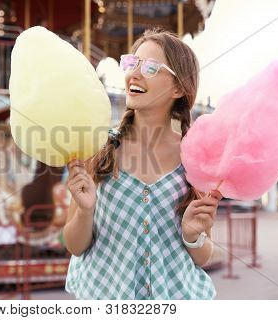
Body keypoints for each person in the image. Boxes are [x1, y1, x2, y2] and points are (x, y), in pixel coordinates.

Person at [63, 27, 223, 300]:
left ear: (178, 88)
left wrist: (192, 236)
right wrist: (85, 211)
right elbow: (75, 246)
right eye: (132, 63)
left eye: (150, 67)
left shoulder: (195, 160)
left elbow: (205, 254)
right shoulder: (98, 147)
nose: (133, 74)